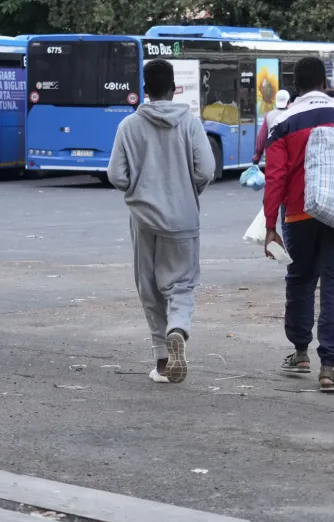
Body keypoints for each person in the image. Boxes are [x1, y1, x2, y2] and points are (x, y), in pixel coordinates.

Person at [107, 59, 216, 384]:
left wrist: (138, 190)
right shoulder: (191, 124)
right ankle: (178, 328)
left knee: (150, 288)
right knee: (181, 284)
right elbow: (206, 170)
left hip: (144, 220)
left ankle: (163, 360)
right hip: (183, 220)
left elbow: (116, 175)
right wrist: (188, 190)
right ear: (175, 88)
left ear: (145, 90)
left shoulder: (129, 126)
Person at [263, 57, 334, 391]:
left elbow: (275, 178)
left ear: (295, 85)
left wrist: (269, 226)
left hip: (298, 213)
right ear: (324, 82)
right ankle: (329, 366)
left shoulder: (283, 121)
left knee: (300, 278)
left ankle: (300, 351)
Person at [253, 89, 291, 164]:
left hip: (273, 157)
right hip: (289, 157)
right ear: (288, 102)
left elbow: (261, 138)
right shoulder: (293, 114)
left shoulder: (268, 116)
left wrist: (257, 156)